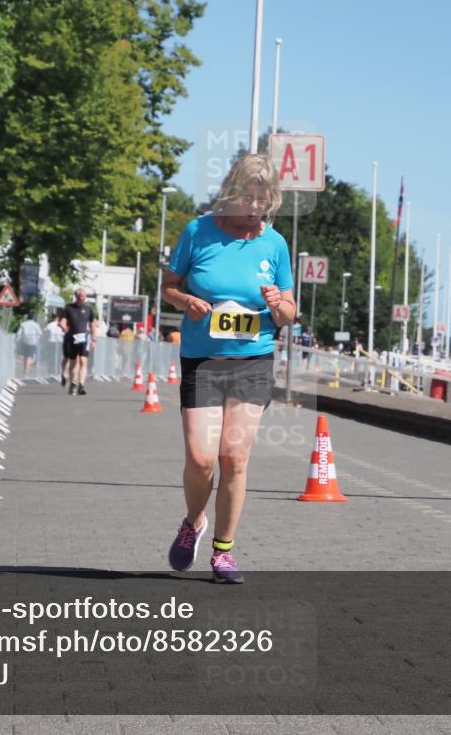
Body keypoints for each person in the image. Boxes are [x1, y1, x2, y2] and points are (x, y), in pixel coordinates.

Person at [160, 154, 295, 584]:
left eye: (263, 200)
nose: (255, 208)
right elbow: (168, 287)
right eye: (248, 198)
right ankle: (193, 522)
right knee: (201, 459)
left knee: (234, 457)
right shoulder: (197, 231)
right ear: (231, 194)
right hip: (203, 361)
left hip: (252, 362)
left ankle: (224, 551)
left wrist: (279, 305)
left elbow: (291, 313)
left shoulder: (275, 244)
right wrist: (187, 302)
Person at [60, 288, 98, 395]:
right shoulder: (68, 308)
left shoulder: (88, 308)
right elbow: (62, 321)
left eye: (84, 296)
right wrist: (63, 327)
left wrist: (94, 338)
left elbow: (92, 324)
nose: (82, 298)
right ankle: (73, 384)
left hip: (84, 338)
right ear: (76, 296)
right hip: (72, 337)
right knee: (73, 362)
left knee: (83, 361)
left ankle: (81, 385)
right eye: (80, 296)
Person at [45, 310, 65, 378]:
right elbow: (64, 332)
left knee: (51, 356)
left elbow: (45, 332)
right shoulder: (60, 324)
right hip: (59, 341)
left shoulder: (50, 325)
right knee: (59, 357)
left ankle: (50, 371)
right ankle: (57, 371)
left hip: (51, 341)